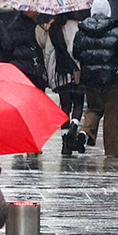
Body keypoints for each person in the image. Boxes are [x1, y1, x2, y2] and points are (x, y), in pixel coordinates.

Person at [73, 0, 118, 157]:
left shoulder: (82, 30)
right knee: (111, 113)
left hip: (90, 78)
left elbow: (76, 53)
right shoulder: (116, 29)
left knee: (94, 108)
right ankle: (112, 150)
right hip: (111, 78)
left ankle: (85, 132)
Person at [44, 12, 84, 154]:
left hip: (60, 72)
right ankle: (74, 125)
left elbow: (48, 52)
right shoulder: (78, 26)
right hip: (77, 71)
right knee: (78, 102)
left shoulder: (54, 28)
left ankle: (65, 141)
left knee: (65, 106)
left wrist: (49, 73)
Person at [8, 9, 47, 90]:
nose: (37, 12)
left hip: (17, 67)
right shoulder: (33, 27)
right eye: (34, 10)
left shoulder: (11, 27)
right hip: (32, 67)